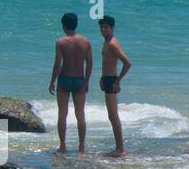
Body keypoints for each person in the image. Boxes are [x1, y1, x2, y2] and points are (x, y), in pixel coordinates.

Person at [48, 12, 92, 154]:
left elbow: (57, 64)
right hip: (79, 80)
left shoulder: (60, 42)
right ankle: (81, 147)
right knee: (80, 114)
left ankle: (63, 146)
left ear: (63, 25)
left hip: (64, 79)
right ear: (76, 24)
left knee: (62, 114)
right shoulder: (85, 42)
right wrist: (86, 81)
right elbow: (90, 64)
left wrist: (52, 81)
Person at [98, 16, 131, 158]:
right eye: (101, 27)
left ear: (112, 28)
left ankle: (120, 149)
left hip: (112, 81)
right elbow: (107, 63)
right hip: (107, 79)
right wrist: (102, 77)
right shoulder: (105, 42)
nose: (103, 29)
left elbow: (127, 63)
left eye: (106, 27)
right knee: (111, 116)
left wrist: (117, 81)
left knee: (113, 116)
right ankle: (119, 148)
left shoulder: (112, 44)